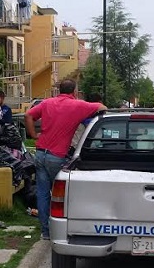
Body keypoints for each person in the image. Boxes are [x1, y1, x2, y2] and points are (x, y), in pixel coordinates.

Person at [25, 79, 107, 239]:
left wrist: (34, 135)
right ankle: (64, 230)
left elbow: (28, 115)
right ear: (74, 92)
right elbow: (102, 107)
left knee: (43, 193)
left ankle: (45, 232)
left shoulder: (47, 103)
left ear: (59, 90)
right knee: (63, 195)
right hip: (57, 156)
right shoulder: (78, 105)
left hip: (41, 152)